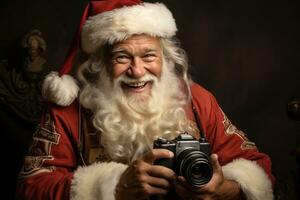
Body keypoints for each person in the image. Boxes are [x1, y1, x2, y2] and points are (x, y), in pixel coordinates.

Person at [16, 0, 275, 199]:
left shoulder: (196, 99)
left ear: (166, 57)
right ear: (101, 64)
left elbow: (256, 167)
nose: (137, 71)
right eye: (122, 57)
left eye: (149, 56)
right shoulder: (67, 111)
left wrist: (225, 189)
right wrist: (112, 188)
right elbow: (31, 187)